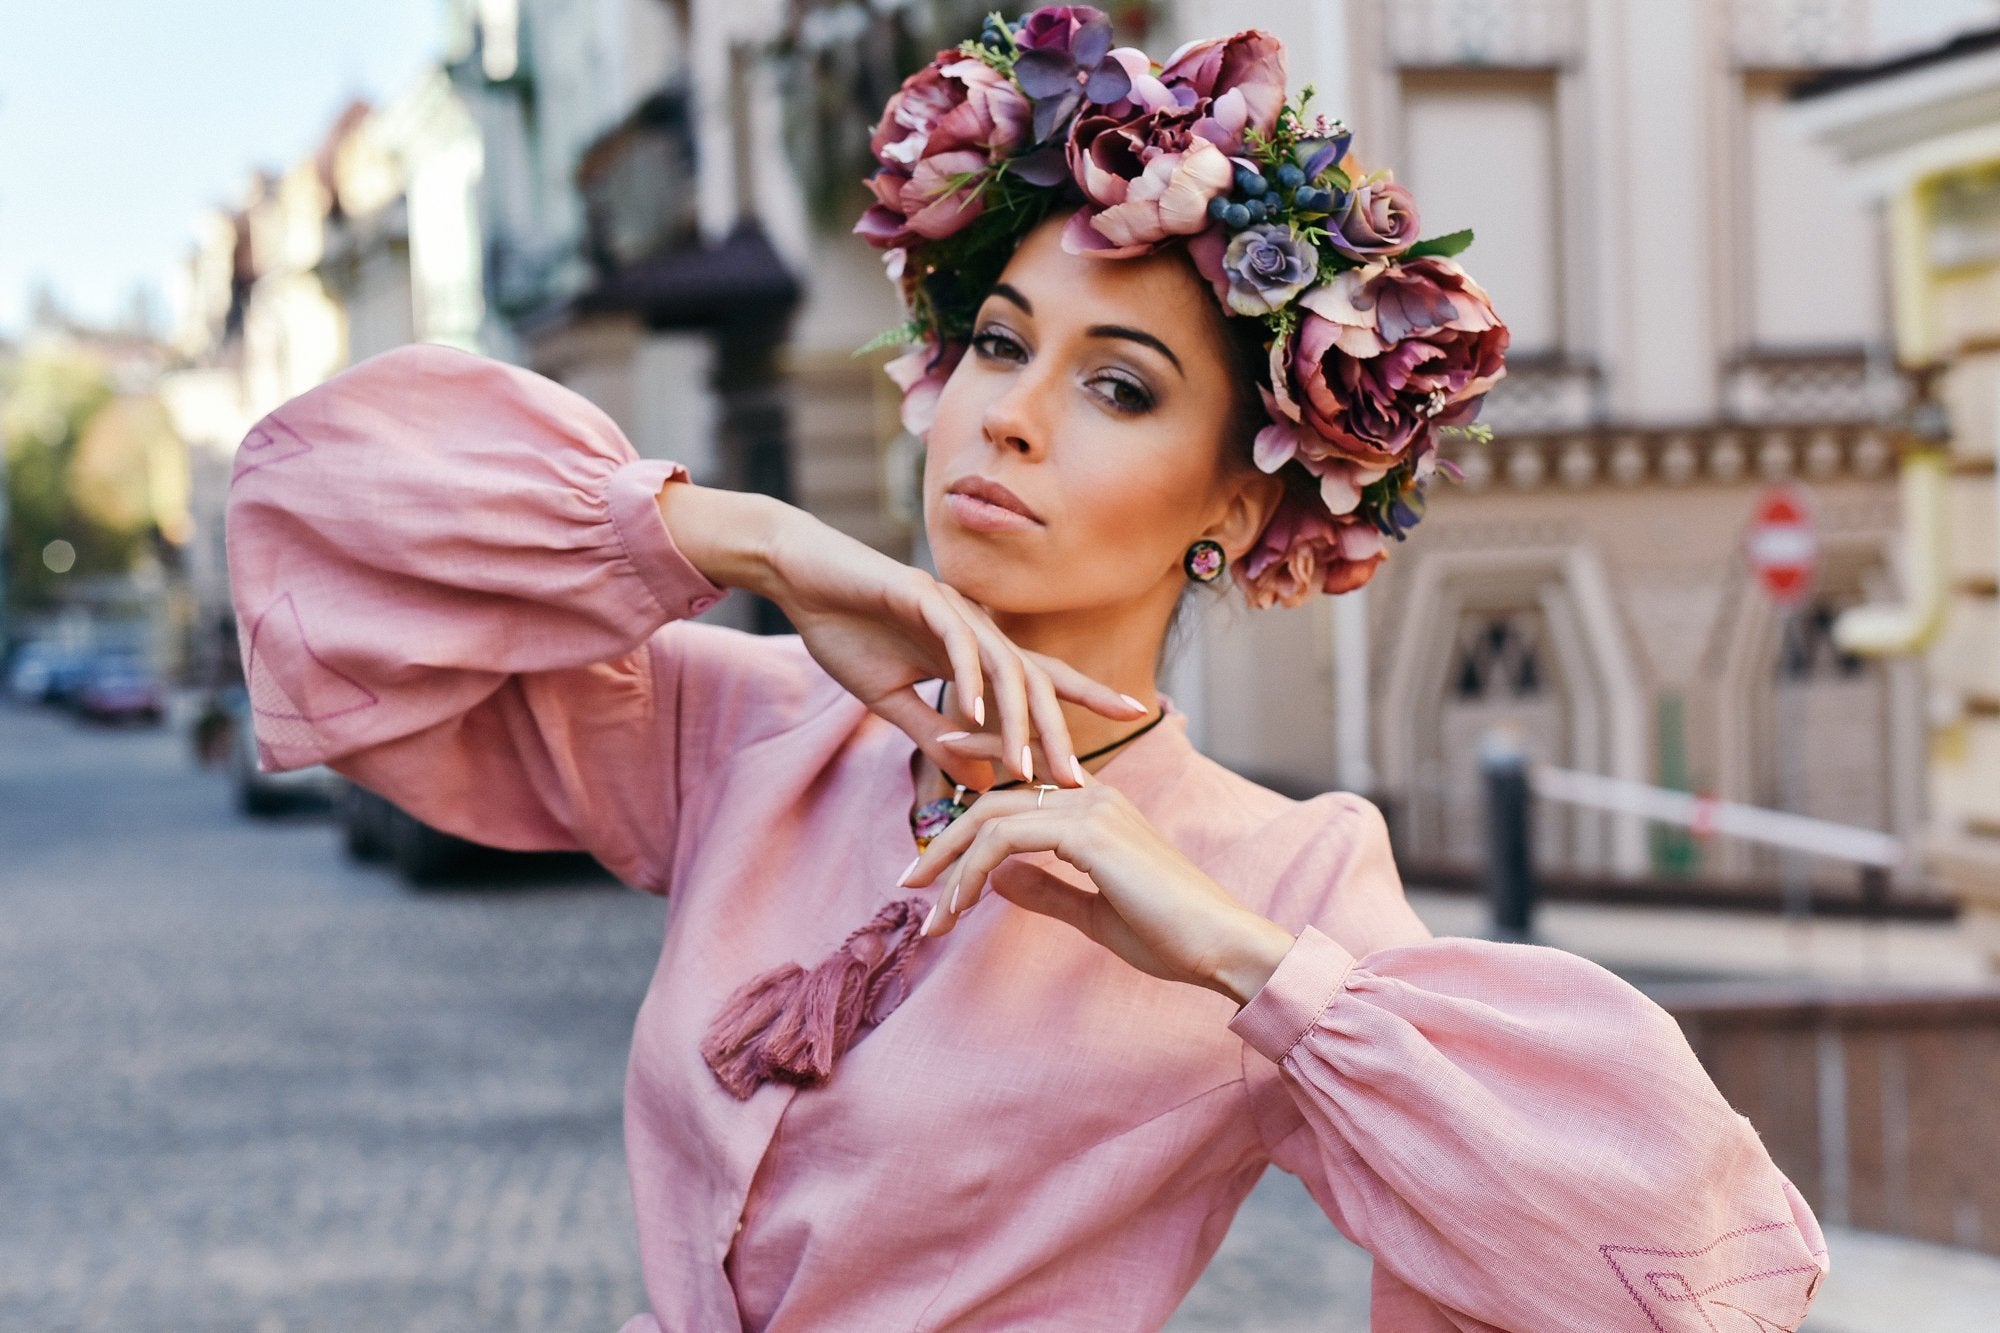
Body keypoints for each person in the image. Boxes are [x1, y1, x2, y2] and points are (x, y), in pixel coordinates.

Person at [226, 8, 1826, 1329]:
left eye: (1119, 388)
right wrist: (756, 543)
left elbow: (1682, 1267)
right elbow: (317, 514)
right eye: (998, 343)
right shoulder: (747, 728)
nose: (1008, 415)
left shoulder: (1284, 878)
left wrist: (1244, 964)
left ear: (1236, 507)